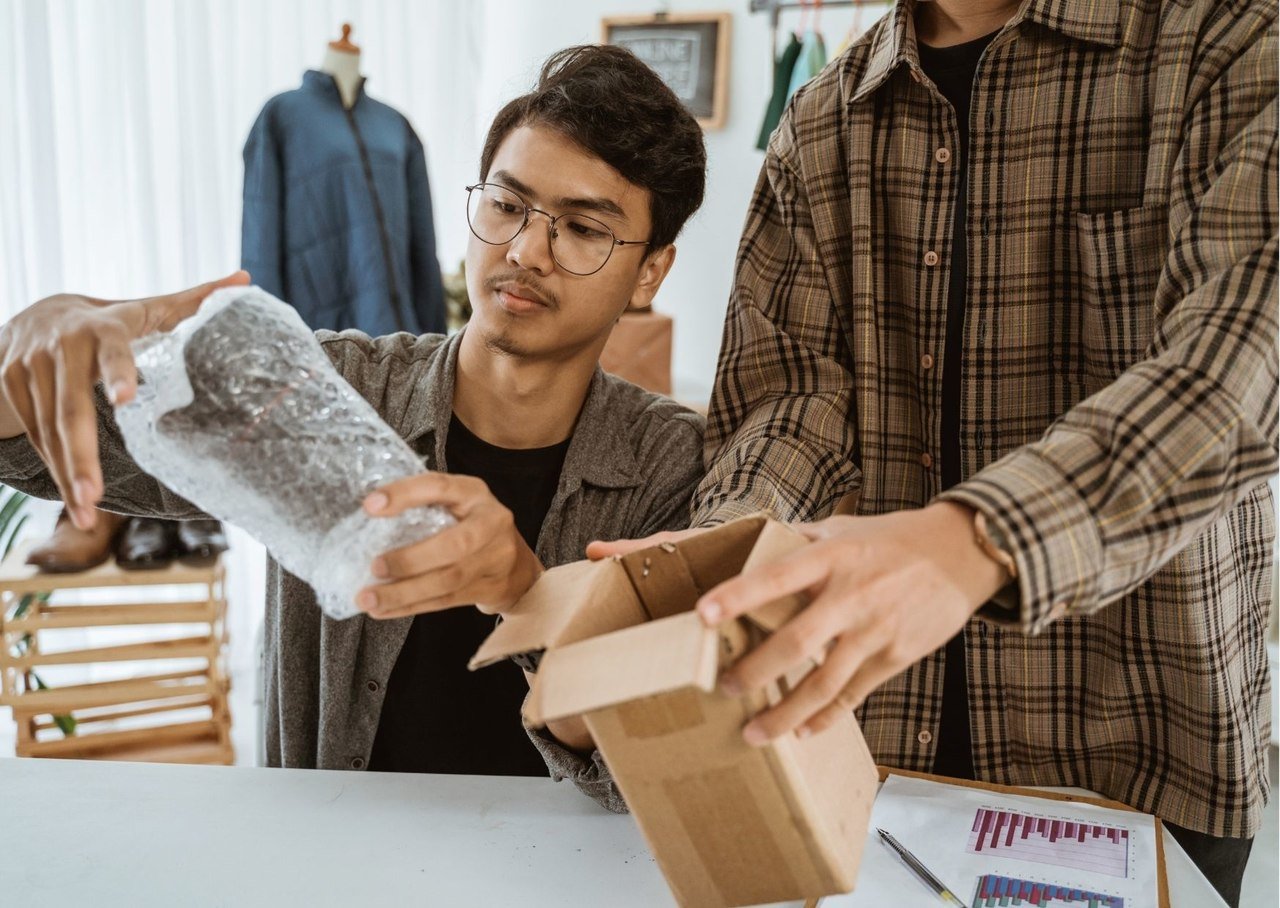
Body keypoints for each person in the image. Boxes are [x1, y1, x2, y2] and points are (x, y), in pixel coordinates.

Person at [595, 1, 1277, 904]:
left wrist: (976, 542)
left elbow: (1239, 364)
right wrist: (726, 553)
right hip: (870, 745)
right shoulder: (823, 116)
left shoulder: (1225, 40)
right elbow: (795, 399)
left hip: (1136, 739)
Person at [0, 45, 705, 808]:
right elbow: (39, 448)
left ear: (650, 272)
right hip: (323, 866)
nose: (525, 251)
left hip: (558, 876)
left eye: (582, 228)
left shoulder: (670, 463)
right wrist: (38, 341)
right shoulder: (331, 386)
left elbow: (644, 756)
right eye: (507, 206)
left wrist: (523, 592)